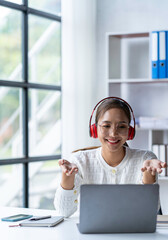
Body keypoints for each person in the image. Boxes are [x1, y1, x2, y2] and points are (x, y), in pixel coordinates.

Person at [54, 97, 167, 217]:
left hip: (132, 234)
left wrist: (148, 178)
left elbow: (150, 211)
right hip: (91, 235)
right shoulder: (79, 161)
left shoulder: (146, 159)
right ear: (94, 129)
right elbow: (63, 212)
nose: (113, 133)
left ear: (130, 131)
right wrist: (67, 179)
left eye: (122, 126)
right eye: (106, 126)